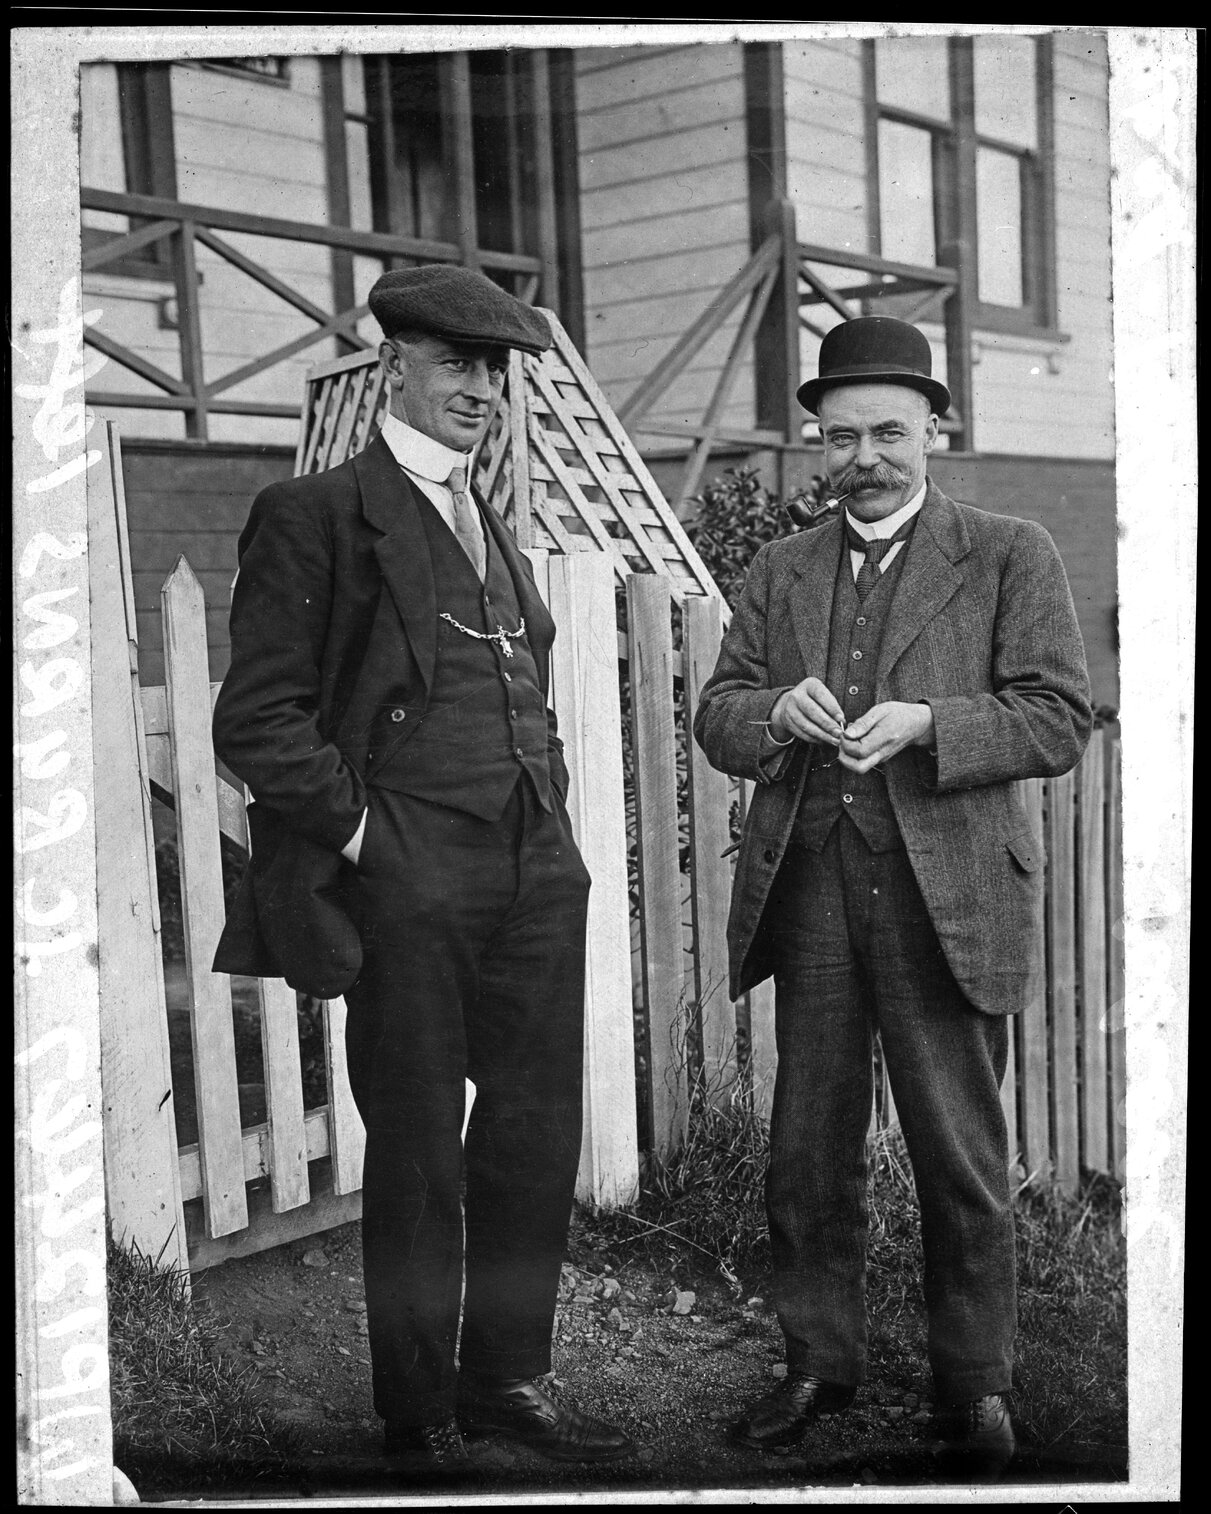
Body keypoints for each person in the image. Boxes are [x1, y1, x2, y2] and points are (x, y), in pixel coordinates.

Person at [211, 264, 632, 1476]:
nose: (480, 391)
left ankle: (503, 1378)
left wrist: (547, 834)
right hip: (409, 874)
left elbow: (519, 692)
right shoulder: (319, 511)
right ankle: (417, 1411)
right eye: (455, 362)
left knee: (532, 1132)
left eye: (493, 371)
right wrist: (365, 841)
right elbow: (261, 718)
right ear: (390, 362)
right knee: (416, 1146)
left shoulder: (486, 518)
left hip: (532, 871)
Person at [692, 315, 1092, 1476]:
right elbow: (718, 710)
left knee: (957, 1148)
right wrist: (773, 714)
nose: (862, 455)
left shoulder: (1009, 549)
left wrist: (931, 723)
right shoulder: (780, 566)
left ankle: (973, 1383)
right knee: (805, 1148)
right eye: (839, 435)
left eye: (887, 431)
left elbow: (1059, 715)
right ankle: (818, 1363)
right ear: (818, 445)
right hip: (810, 885)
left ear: (934, 430)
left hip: (948, 891)